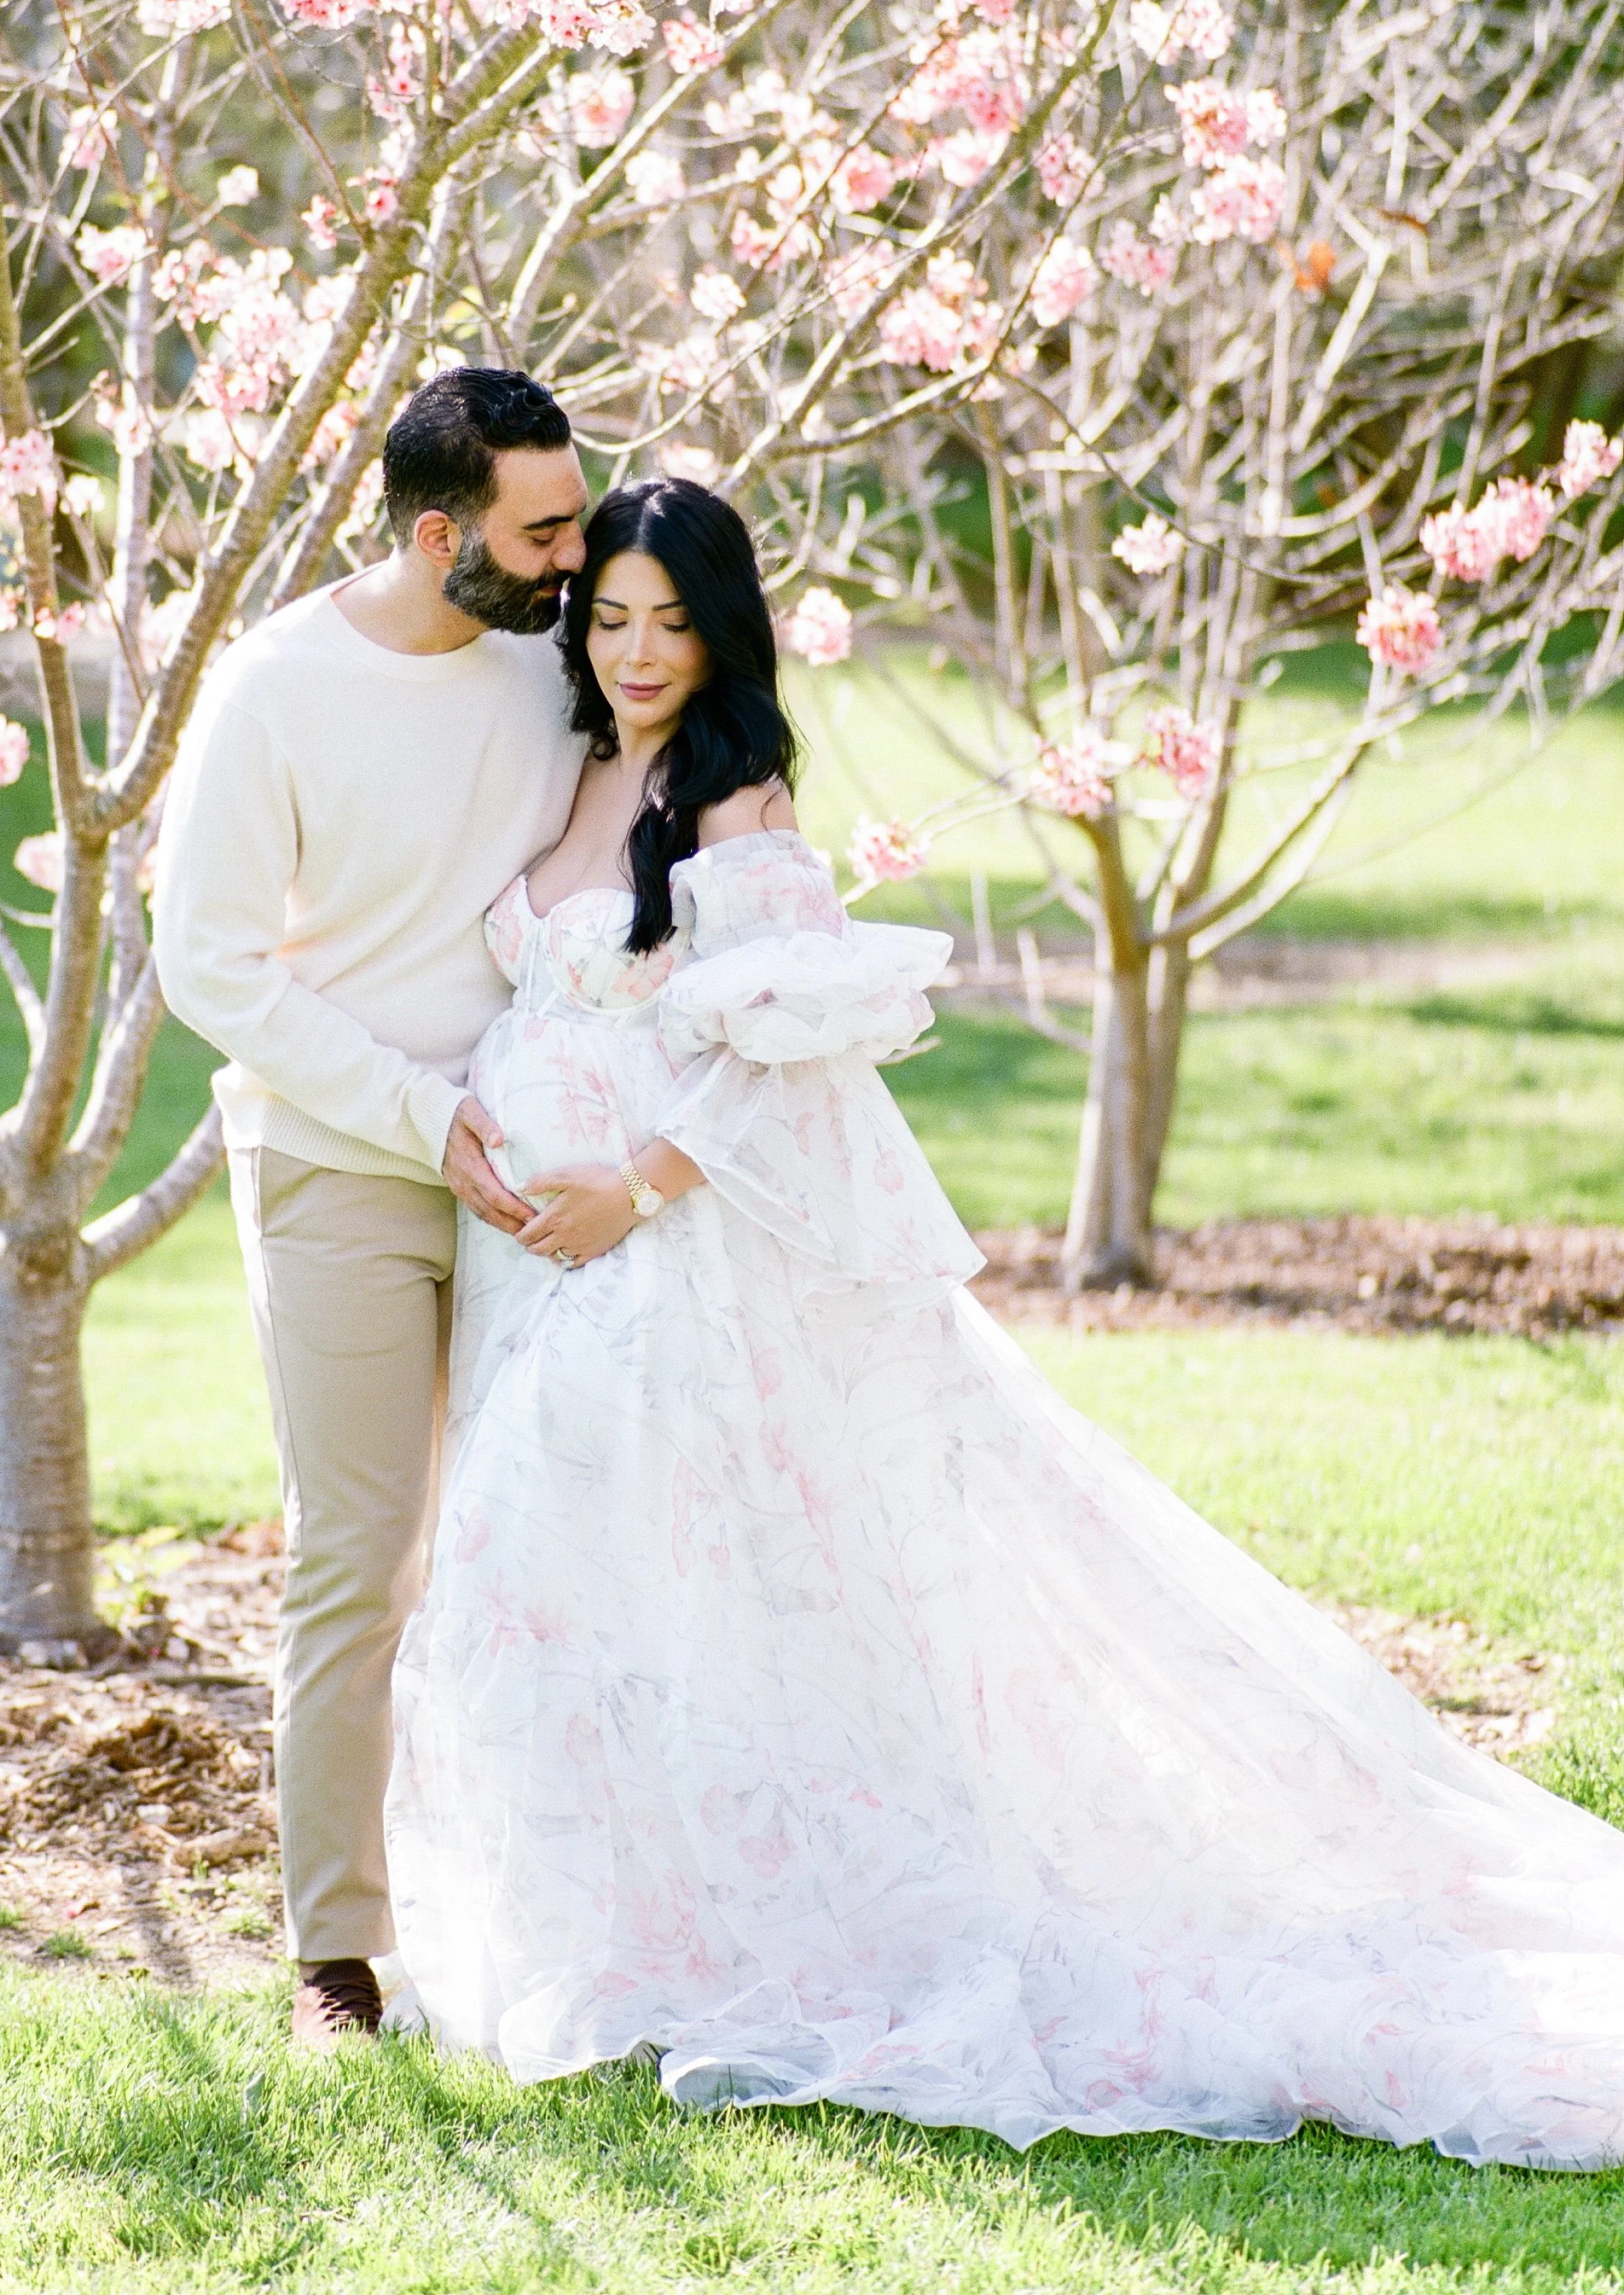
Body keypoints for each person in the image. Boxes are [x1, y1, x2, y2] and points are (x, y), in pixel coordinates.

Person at [384, 474, 1624, 2169]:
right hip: (536, 1270)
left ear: (720, 629)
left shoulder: (731, 799)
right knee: (559, 1598)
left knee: (683, 1588)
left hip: (668, 1273)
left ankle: (754, 1937)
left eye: (671, 620)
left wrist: (637, 1187)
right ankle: (608, 1932)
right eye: (611, 615)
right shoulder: (567, 760)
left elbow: (794, 1065)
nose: (638, 648)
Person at [152, 363, 587, 2048]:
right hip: (339, 1151)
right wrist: (422, 1114)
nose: (572, 551)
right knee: (361, 1554)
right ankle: (335, 1951)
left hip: (532, 1162)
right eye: (540, 526)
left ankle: (548, 1908)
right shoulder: (278, 689)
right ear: (435, 531)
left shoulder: (557, 667)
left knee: (534, 1541)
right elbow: (208, 966)